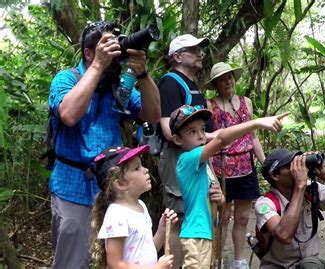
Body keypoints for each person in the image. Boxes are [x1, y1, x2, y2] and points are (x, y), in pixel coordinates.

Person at [48, 21, 160, 268]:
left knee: (116, 261)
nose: (114, 51)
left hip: (113, 190)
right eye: (105, 46)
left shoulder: (119, 85)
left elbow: (152, 115)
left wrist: (142, 74)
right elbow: (68, 115)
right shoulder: (66, 78)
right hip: (72, 188)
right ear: (89, 52)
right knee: (72, 263)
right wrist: (98, 65)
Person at [169, 105, 289, 268]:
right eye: (192, 132)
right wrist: (256, 123)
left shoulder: (203, 165)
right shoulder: (187, 160)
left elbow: (215, 199)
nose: (200, 136)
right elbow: (221, 139)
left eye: (202, 129)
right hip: (196, 234)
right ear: (177, 140)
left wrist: (220, 198)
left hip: (205, 233)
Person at [157, 33, 214, 267]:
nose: (200, 53)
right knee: (177, 217)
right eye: (193, 50)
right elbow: (168, 129)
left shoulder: (193, 86)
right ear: (177, 56)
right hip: (178, 159)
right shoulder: (170, 82)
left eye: (201, 49)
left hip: (198, 158)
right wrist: (216, 138)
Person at [254, 149, 325, 268]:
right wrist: (299, 186)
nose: (299, 169)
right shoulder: (265, 203)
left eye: (299, 164)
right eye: (292, 166)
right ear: (275, 175)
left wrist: (324, 173)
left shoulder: (310, 190)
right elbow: (284, 235)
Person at [205, 62, 265, 269]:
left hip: (246, 168)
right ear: (216, 84)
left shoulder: (246, 102)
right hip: (222, 168)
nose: (228, 81)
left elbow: (253, 137)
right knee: (223, 217)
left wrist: (265, 163)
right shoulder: (209, 104)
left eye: (229, 77)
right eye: (222, 79)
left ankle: (239, 261)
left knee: (242, 217)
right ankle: (218, 259)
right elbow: (205, 137)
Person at [90, 144, 176, 268]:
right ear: (120, 184)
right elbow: (115, 264)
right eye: (137, 168)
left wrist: (162, 230)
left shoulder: (141, 206)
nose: (145, 170)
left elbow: (148, 250)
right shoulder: (117, 215)